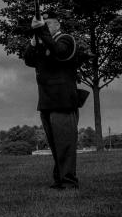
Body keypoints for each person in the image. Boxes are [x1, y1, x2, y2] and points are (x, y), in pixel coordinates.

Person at [26, 10, 84, 189]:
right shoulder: (44, 44)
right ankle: (59, 179)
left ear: (58, 25)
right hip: (47, 100)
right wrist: (33, 42)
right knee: (55, 144)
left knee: (65, 143)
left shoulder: (66, 39)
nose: (45, 26)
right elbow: (29, 60)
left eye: (48, 23)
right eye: (44, 24)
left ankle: (69, 181)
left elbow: (59, 52)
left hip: (62, 100)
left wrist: (41, 31)